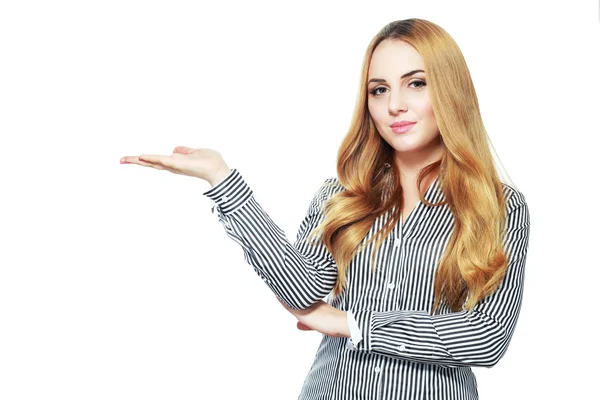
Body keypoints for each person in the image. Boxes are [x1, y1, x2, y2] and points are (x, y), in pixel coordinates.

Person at [120, 18, 531, 400]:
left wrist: (351, 324)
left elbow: (487, 337)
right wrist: (222, 179)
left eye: (417, 83)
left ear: (450, 90)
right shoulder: (340, 196)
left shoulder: (499, 206)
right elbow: (302, 292)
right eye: (380, 89)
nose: (395, 106)